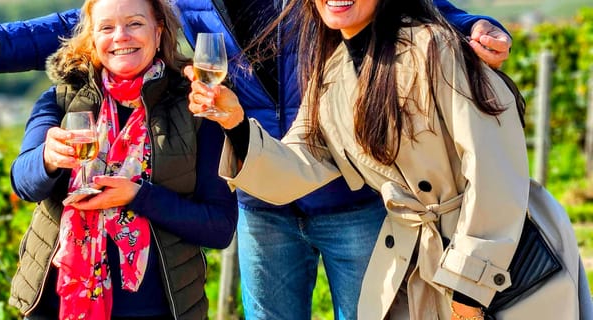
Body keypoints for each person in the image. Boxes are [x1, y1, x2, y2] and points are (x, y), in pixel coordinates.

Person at [0, 1, 511, 319]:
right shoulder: (174, 4)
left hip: (351, 198)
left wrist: (469, 26)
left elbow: (404, 5)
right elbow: (90, 21)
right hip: (262, 194)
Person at [185, 0, 593, 318]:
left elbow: (495, 171)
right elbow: (301, 161)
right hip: (414, 264)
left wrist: (470, 292)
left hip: (502, 258)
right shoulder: (329, 72)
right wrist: (236, 123)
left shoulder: (437, 46)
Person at [7, 0, 237, 318]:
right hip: (56, 305)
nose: (120, 36)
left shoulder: (194, 107)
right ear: (92, 37)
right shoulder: (61, 98)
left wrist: (138, 196)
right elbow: (23, 182)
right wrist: (46, 158)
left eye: (134, 24)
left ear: (158, 32)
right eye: (106, 27)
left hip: (157, 308)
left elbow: (220, 227)